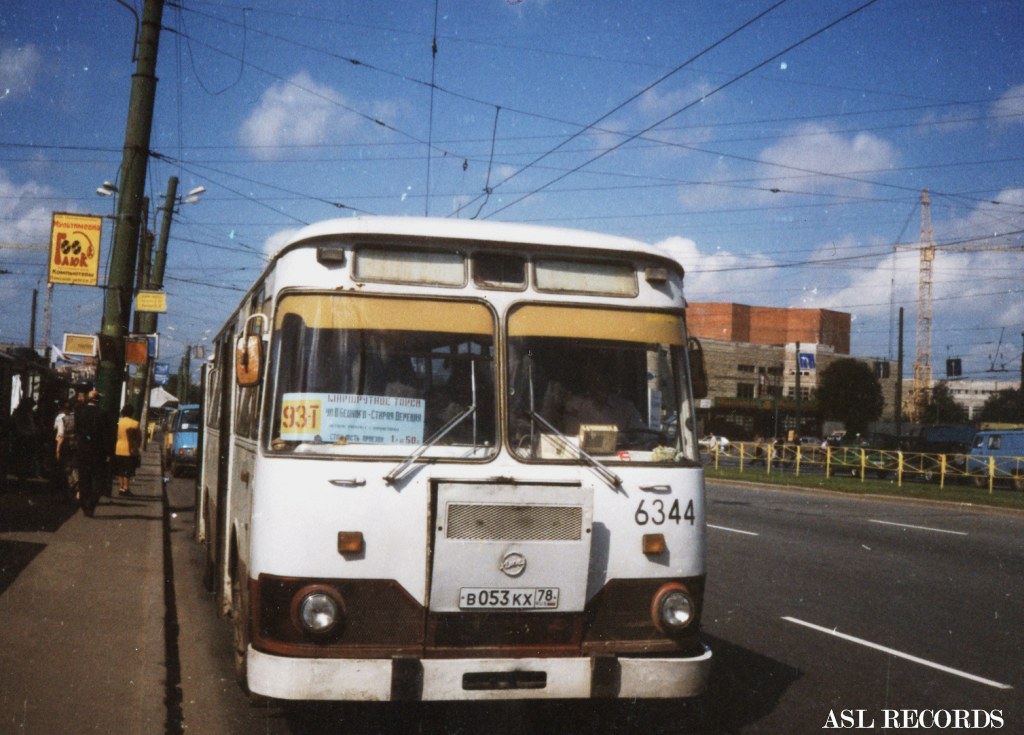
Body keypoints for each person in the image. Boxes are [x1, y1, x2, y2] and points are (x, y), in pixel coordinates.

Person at [74, 390, 115, 517]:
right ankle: (91, 504)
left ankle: (84, 502)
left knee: (84, 478)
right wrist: (109, 452)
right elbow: (108, 435)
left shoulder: (79, 413)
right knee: (98, 479)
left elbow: (77, 431)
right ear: (98, 400)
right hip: (98, 451)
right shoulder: (103, 414)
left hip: (82, 450)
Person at [113, 405, 142, 497]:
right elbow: (139, 438)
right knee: (128, 470)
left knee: (120, 469)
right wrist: (137, 446)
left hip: (118, 448)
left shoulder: (119, 423)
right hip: (130, 449)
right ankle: (126, 488)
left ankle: (121, 487)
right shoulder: (135, 423)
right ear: (132, 413)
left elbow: (116, 435)